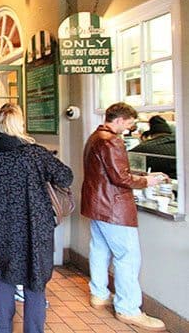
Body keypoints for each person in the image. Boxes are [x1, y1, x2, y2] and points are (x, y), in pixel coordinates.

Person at [0, 103, 73, 333]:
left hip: (0, 226)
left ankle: (1, 328)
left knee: (2, 274)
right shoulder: (35, 154)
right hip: (35, 224)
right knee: (35, 278)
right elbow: (66, 176)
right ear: (19, 125)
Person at [81, 102, 166, 332]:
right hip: (113, 207)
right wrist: (147, 181)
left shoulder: (94, 137)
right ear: (118, 120)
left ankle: (99, 294)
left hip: (96, 204)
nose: (128, 130)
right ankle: (128, 308)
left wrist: (137, 175)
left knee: (99, 249)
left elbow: (110, 172)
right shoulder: (112, 141)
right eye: (128, 124)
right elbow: (120, 178)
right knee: (127, 257)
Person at [129, 115, 176, 179]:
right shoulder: (181, 145)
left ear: (150, 135)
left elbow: (128, 169)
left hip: (159, 183)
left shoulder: (144, 148)